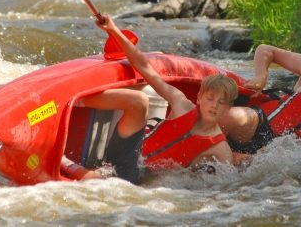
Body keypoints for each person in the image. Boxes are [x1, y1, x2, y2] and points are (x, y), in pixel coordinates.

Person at [95, 14, 250, 172]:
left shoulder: (220, 150)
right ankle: (73, 101)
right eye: (210, 98)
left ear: (228, 108)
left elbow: (220, 189)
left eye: (221, 102)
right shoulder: (181, 104)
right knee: (138, 100)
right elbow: (144, 67)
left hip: (141, 176)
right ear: (199, 97)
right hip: (129, 151)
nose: (214, 105)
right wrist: (114, 30)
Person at [60, 88, 149, 185]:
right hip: (135, 168)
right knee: (139, 101)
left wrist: (62, 161)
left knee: (139, 100)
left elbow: (88, 177)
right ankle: (72, 98)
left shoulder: (121, 179)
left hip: (122, 172)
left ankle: (68, 99)